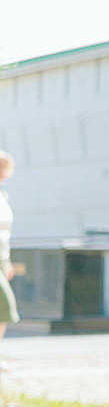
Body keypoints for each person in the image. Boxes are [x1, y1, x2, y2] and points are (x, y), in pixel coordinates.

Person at [0, 151, 16, 359]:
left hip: (2, 257)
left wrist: (8, 262)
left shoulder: (3, 195)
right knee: (5, 304)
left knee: (2, 310)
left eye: (4, 168)